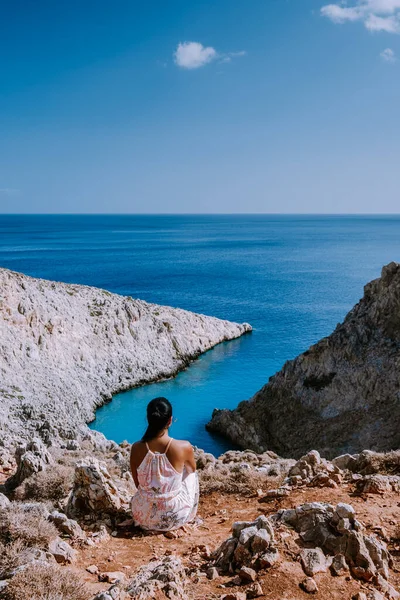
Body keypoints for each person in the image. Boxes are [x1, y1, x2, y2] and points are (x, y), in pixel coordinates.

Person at [130, 397, 199, 532]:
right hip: (174, 517)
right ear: (170, 420)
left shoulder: (136, 448)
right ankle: (190, 515)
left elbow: (137, 484)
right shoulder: (184, 447)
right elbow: (191, 469)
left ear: (148, 419)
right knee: (191, 473)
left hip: (142, 516)